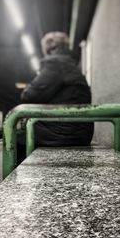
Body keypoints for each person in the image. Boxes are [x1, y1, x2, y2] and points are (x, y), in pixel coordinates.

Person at [17, 31, 94, 164]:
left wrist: (29, 87)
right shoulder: (71, 65)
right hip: (80, 133)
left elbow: (29, 96)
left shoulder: (55, 64)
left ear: (48, 48)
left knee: (16, 136)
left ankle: (17, 183)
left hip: (62, 134)